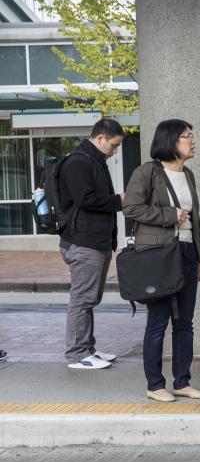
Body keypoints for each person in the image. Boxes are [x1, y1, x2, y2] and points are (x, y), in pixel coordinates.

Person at [122, 120, 200, 403]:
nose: (193, 141)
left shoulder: (189, 174)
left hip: (185, 252)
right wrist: (170, 215)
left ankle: (182, 381)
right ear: (171, 141)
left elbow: (195, 220)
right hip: (158, 256)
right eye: (187, 137)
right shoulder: (147, 172)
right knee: (158, 321)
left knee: (185, 322)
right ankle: (155, 384)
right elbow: (131, 208)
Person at [59, 118, 125, 370]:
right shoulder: (79, 162)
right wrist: (118, 200)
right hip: (83, 241)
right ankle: (77, 354)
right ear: (100, 138)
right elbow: (86, 199)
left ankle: (87, 349)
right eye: (114, 145)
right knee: (82, 299)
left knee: (89, 298)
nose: (115, 150)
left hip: (93, 240)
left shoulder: (93, 160)